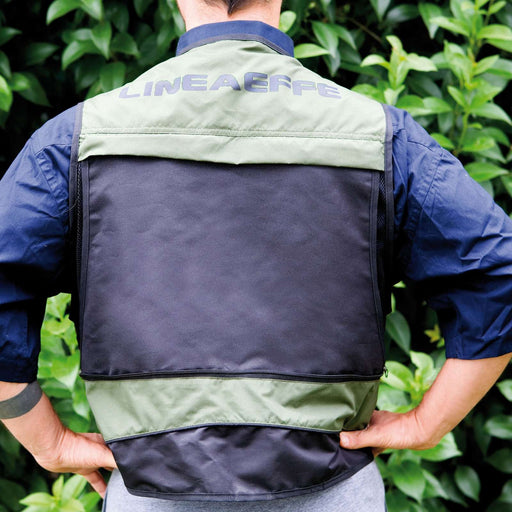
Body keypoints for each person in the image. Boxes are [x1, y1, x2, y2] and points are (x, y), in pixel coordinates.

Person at [0, 0, 511, 510]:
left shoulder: (78, 139)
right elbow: (498, 273)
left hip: (149, 492)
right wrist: (428, 424)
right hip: (332, 488)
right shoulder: (383, 138)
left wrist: (47, 440)